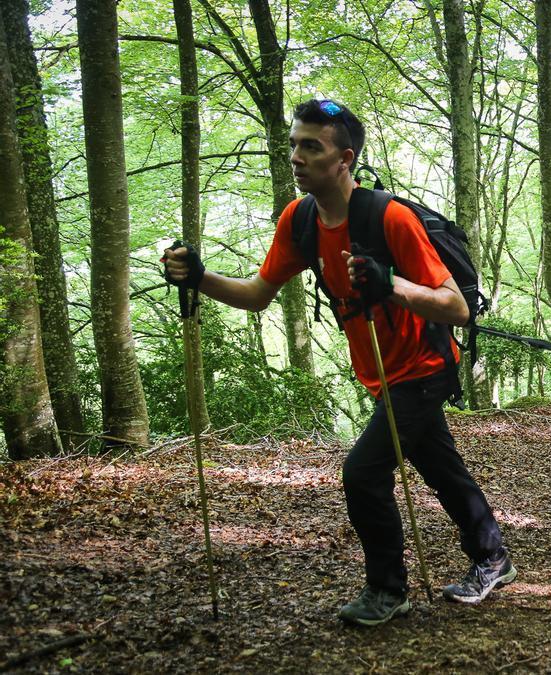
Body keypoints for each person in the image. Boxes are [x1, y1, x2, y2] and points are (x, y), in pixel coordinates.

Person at [163, 99, 514, 626]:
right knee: (437, 464)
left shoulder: (388, 217)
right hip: (379, 370)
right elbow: (259, 293)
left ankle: (387, 590)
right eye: (293, 144)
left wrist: (388, 282)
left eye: (311, 146)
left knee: (362, 474)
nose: (296, 157)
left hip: (423, 366)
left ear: (344, 159)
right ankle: (492, 556)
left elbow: (457, 307)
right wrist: (199, 278)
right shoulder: (300, 219)